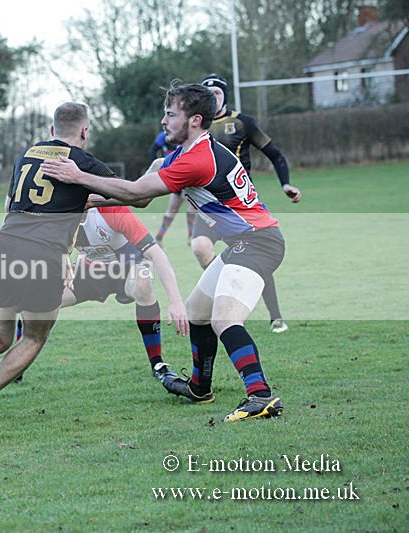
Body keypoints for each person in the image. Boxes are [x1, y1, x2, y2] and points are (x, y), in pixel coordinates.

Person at [40, 83, 285, 422]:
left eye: (171, 114)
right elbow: (138, 198)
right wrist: (86, 199)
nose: (163, 120)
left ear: (195, 120)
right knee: (198, 311)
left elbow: (136, 190)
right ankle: (200, 387)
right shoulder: (181, 155)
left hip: (259, 242)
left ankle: (260, 395)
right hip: (244, 243)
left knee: (224, 319)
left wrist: (78, 176)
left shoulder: (197, 160)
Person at [0, 102, 187, 416]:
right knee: (34, 337)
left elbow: (12, 205)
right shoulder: (81, 161)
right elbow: (139, 197)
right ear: (84, 132)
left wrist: (80, 199)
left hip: (4, 249)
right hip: (44, 258)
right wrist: (93, 179)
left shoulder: (28, 154)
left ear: (51, 131)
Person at [197, 74, 301, 333]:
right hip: (209, 206)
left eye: (217, 94)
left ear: (225, 96)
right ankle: (223, 299)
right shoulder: (196, 127)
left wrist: (285, 184)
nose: (213, 98)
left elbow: (275, 155)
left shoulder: (243, 122)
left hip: (240, 208)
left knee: (253, 258)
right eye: (207, 95)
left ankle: (275, 315)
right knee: (200, 248)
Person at [62, 206, 187, 380]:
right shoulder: (58, 213)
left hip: (130, 265)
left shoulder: (110, 209)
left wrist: (176, 302)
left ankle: (157, 363)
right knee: (38, 299)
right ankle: (20, 362)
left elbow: (156, 254)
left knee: (143, 284)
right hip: (90, 269)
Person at [149, 131, 196, 246]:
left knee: (189, 208)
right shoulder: (163, 136)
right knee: (175, 208)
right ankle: (159, 237)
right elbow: (152, 151)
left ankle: (191, 237)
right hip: (174, 175)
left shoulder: (188, 135)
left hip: (185, 175)